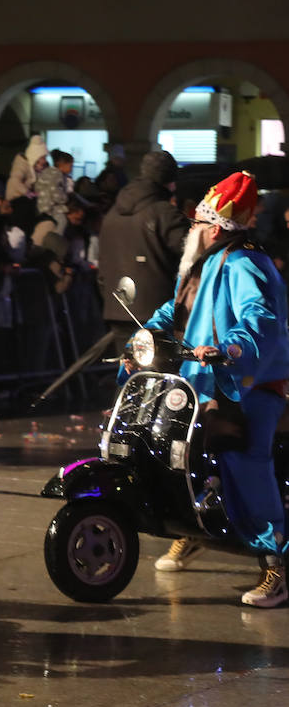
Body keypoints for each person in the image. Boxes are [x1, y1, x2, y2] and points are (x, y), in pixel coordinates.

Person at [127, 172, 288, 607]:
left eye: (198, 222)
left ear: (215, 228)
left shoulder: (245, 263)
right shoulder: (202, 262)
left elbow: (261, 318)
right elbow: (173, 310)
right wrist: (141, 338)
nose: (192, 230)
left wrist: (230, 347)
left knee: (241, 456)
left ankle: (277, 563)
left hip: (249, 383)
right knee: (167, 448)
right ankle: (190, 528)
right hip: (200, 381)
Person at [97, 149, 186, 348]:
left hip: (118, 307)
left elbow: (102, 262)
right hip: (157, 311)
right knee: (160, 374)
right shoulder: (164, 212)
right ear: (170, 181)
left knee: (130, 374)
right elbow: (192, 255)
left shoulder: (112, 213)